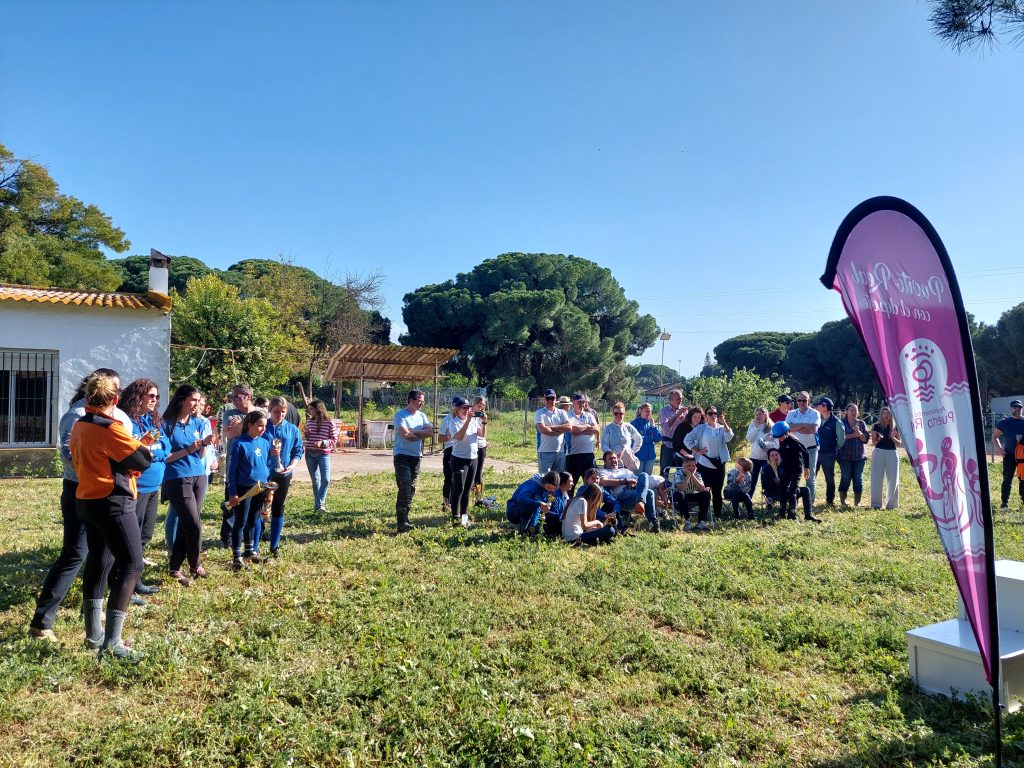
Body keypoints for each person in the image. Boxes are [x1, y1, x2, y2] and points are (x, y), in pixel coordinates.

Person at [28, 369, 127, 643]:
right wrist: (104, 464)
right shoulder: (77, 415)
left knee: (101, 553)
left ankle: (92, 610)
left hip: (106, 491)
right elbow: (67, 454)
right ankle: (41, 622)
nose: (115, 394)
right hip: (79, 489)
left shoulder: (115, 415)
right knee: (75, 553)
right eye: (112, 389)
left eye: (117, 390)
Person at [70, 371, 153, 660]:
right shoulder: (110, 428)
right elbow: (143, 459)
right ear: (115, 400)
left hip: (87, 500)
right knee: (132, 565)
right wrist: (142, 444)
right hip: (113, 501)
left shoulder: (81, 424)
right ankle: (113, 642)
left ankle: (93, 635)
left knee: (100, 561)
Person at [120, 378, 171, 596]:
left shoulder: (153, 420)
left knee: (145, 534)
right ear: (137, 396)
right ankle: (124, 585)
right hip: (136, 486)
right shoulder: (127, 421)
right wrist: (147, 453)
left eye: (156, 396)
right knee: (130, 538)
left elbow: (166, 447)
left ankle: (136, 580)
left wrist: (151, 453)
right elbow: (132, 452)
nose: (154, 400)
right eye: (150, 396)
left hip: (153, 485)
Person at [163, 385, 214, 585]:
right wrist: (188, 449)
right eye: (193, 400)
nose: (197, 404)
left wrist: (204, 444)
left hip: (199, 475)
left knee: (189, 523)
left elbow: (199, 454)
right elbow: (165, 457)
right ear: (182, 400)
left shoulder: (197, 423)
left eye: (198, 400)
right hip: (177, 476)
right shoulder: (167, 424)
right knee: (193, 523)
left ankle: (177, 567)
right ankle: (194, 563)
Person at [252, 396, 304, 557]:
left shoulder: (292, 428)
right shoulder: (263, 427)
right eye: (276, 412)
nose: (280, 415)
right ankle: (254, 547)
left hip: (283, 473)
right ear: (269, 410)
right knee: (259, 508)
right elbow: (254, 448)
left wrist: (292, 465)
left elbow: (298, 449)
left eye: (283, 412)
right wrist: (268, 451)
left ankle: (274, 546)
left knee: (278, 507)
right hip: (264, 473)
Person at [226, 411, 271, 570]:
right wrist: (233, 492)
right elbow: (232, 470)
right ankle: (237, 557)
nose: (263, 429)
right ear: (250, 425)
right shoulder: (239, 443)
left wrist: (268, 483)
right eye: (260, 426)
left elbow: (266, 464)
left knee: (253, 519)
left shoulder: (264, 442)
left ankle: (250, 552)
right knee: (241, 521)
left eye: (265, 426)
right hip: (244, 488)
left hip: (260, 487)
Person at [218, 384, 258, 544]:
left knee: (254, 500)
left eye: (237, 397)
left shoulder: (261, 412)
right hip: (234, 463)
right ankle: (227, 535)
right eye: (232, 397)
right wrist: (247, 423)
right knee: (231, 498)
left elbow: (261, 433)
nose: (233, 400)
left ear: (248, 397)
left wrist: (242, 424)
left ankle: (252, 534)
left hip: (254, 462)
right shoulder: (230, 413)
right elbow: (230, 434)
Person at [392, 389, 433, 533]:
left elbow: (430, 432)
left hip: (416, 456)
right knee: (405, 486)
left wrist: (414, 432)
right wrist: (421, 434)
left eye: (423, 401)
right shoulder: (400, 415)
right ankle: (401, 522)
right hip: (402, 455)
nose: (422, 403)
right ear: (411, 401)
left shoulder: (422, 416)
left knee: (412, 487)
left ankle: (406, 517)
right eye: (419, 401)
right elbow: (405, 435)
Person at [684, 406, 733, 520]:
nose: (713, 415)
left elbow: (729, 437)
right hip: (704, 464)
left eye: (715, 413)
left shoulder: (721, 428)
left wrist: (724, 422)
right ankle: (704, 515)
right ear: (705, 416)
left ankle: (717, 515)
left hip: (719, 465)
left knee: (717, 491)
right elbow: (687, 440)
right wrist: (697, 451)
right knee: (704, 491)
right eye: (710, 413)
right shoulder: (701, 428)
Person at [598, 451, 659, 532]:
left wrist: (634, 483)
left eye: (614, 458)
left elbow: (639, 481)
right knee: (649, 493)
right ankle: (653, 522)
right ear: (605, 462)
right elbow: (604, 482)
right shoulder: (604, 472)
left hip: (634, 492)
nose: (613, 460)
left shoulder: (625, 471)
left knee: (644, 475)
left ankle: (641, 503)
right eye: (610, 459)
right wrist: (625, 481)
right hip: (620, 497)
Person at [447, 397, 485, 527]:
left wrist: (484, 422)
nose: (467, 410)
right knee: (459, 488)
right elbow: (459, 437)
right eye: (464, 408)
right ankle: (455, 515)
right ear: (457, 409)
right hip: (459, 459)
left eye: (468, 408)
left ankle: (464, 515)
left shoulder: (474, 420)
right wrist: (468, 420)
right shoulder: (454, 422)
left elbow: (481, 435)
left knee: (467, 489)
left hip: (473, 458)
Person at [771, 422, 820, 522]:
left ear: (787, 432)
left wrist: (807, 468)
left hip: (796, 469)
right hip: (787, 469)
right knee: (783, 489)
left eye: (780, 436)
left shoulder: (793, 441)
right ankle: (782, 514)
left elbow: (805, 453)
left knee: (792, 491)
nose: (779, 438)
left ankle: (792, 515)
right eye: (778, 437)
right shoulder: (782, 442)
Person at [786, 391, 821, 506]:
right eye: (799, 400)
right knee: (793, 475)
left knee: (810, 477)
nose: (801, 402)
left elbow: (812, 430)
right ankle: (793, 501)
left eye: (804, 400)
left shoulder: (815, 413)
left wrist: (795, 427)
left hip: (811, 448)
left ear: (809, 401)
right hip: (794, 449)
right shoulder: (791, 413)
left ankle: (809, 503)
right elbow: (787, 429)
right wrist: (804, 425)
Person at [303, 399, 338, 514]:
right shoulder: (310, 421)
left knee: (326, 480)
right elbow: (308, 438)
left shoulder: (330, 422)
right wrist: (306, 434)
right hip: (310, 453)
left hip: (323, 454)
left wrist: (323, 443)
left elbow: (334, 439)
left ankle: (319, 504)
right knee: (315, 480)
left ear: (318, 409)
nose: (309, 411)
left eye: (311, 409)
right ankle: (319, 506)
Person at [506, 470, 560, 536]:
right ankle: (523, 531)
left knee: (554, 517)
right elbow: (521, 499)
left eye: (552, 489)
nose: (550, 490)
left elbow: (537, 508)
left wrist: (533, 524)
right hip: (514, 512)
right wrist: (539, 504)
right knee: (528, 506)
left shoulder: (546, 489)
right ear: (544, 481)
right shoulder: (533, 485)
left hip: (532, 512)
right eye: (549, 487)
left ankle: (546, 533)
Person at [837, 403, 869, 507]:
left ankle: (857, 502)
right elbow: (838, 438)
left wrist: (859, 433)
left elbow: (865, 440)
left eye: (855, 410)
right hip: (844, 455)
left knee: (858, 479)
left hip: (859, 456)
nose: (854, 412)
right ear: (846, 411)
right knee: (845, 477)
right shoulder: (841, 423)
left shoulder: (862, 423)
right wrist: (853, 435)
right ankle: (843, 501)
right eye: (851, 410)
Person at [870, 406, 902, 510]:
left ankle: (891, 505)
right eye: (883, 413)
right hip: (878, 452)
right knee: (876, 478)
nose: (885, 416)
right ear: (881, 415)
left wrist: (893, 437)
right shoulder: (876, 426)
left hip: (892, 453)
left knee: (893, 479)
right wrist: (879, 439)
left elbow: (899, 444)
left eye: (888, 413)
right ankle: (876, 504)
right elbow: (873, 443)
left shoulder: (896, 427)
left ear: (891, 415)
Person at [994, 400, 1024, 510]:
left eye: (1019, 407)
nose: (1017, 409)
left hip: (1022, 457)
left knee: (1023, 480)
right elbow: (995, 437)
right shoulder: (1004, 422)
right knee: (1007, 479)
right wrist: (1000, 449)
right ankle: (1004, 503)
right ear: (1010, 409)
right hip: (1009, 456)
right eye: (1015, 407)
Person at [565, 393, 600, 484]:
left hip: (589, 454)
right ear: (574, 403)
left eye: (583, 402)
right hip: (573, 455)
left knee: (590, 483)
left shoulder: (589, 415)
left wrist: (580, 429)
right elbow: (574, 430)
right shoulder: (568, 415)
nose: (582, 404)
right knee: (571, 484)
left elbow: (596, 429)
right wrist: (587, 425)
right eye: (579, 402)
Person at [813, 397, 842, 507]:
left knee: (829, 478)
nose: (816, 407)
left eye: (819, 405)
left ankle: (830, 500)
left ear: (825, 406)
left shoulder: (836, 422)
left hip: (828, 454)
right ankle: (810, 499)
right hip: (815, 452)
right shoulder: (816, 419)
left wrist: (833, 448)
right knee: (812, 477)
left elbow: (841, 440)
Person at [672, 455, 712, 532]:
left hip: (692, 494)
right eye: (688, 466)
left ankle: (701, 522)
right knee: (681, 494)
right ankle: (687, 521)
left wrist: (692, 475)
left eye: (693, 466)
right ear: (683, 465)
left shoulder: (697, 474)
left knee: (706, 493)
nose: (691, 468)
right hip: (680, 496)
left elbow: (702, 488)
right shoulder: (678, 474)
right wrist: (688, 475)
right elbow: (682, 488)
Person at [534, 388, 571, 473]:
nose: (550, 400)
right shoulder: (539, 413)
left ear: (555, 398)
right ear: (544, 399)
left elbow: (569, 427)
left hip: (560, 452)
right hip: (545, 451)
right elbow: (542, 429)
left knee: (559, 478)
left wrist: (550, 427)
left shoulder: (561, 412)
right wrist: (560, 430)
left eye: (552, 398)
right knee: (545, 478)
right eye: (548, 398)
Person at [658, 389, 688, 475]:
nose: (680, 400)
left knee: (680, 469)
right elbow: (665, 428)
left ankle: (678, 483)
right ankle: (664, 483)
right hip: (669, 445)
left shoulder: (685, 411)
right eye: (678, 399)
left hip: (682, 445)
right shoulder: (664, 411)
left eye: (681, 398)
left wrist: (685, 421)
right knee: (665, 469)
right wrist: (677, 415)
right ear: (670, 400)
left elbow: (690, 427)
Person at [745, 407, 774, 497]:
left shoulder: (772, 425)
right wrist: (756, 428)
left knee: (766, 480)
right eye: (756, 415)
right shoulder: (752, 425)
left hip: (767, 458)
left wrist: (766, 444)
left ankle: (769, 500)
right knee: (752, 480)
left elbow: (775, 443)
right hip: (754, 457)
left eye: (760, 414)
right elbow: (749, 439)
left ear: (765, 415)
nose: (758, 416)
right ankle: (748, 499)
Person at [631, 403, 663, 476]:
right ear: (640, 411)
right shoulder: (634, 423)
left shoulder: (650, 423)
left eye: (650, 411)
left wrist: (653, 426)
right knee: (638, 477)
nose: (649, 413)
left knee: (647, 477)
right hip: (638, 455)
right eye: (647, 411)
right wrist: (650, 438)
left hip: (650, 456)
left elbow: (658, 438)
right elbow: (637, 439)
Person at [438, 402, 457, 516]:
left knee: (459, 479)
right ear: (452, 406)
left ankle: (456, 503)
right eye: (456, 406)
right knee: (449, 478)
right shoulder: (447, 420)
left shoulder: (466, 419)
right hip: (450, 450)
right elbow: (440, 438)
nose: (458, 408)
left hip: (462, 452)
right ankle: (446, 503)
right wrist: (452, 436)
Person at [544, 472, 574, 537]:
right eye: (570, 481)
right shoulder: (553, 495)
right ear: (563, 482)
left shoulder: (565, 495)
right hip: (551, 524)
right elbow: (553, 516)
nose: (573, 484)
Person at [471, 395, 489, 501]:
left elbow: (483, 433)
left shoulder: (482, 416)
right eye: (479, 403)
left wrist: (484, 421)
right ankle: (468, 491)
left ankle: (478, 496)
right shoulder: (468, 413)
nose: (481, 406)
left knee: (479, 472)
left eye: (483, 404)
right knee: (470, 471)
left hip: (481, 446)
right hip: (471, 446)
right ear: (474, 403)